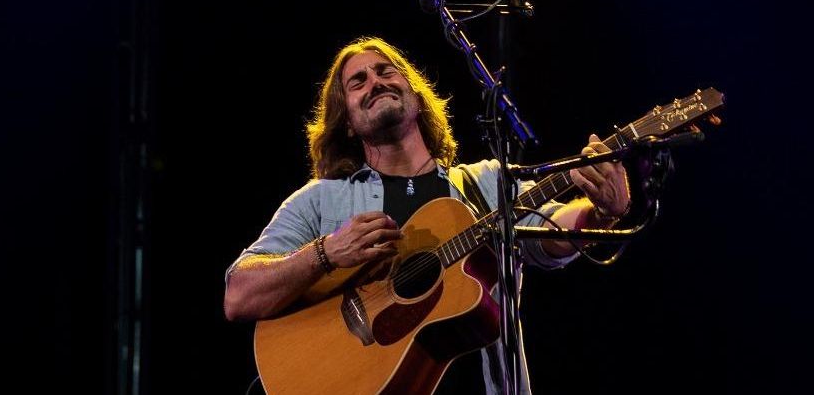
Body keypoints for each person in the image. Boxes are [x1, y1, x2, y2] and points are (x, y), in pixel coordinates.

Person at [224, 37, 631, 395]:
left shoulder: (484, 183)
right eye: (358, 81)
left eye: (386, 71)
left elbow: (550, 232)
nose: (375, 82)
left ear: (416, 98)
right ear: (346, 122)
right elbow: (239, 294)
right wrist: (326, 253)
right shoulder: (320, 201)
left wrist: (601, 211)